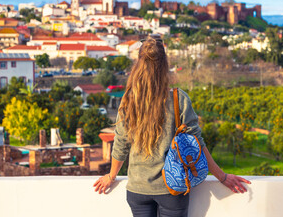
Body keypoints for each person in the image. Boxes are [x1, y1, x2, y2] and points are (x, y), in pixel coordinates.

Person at [93, 35, 251, 217]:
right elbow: (197, 145)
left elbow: (121, 144)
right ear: (165, 65)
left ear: (138, 64)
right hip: (172, 189)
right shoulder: (178, 99)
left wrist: (111, 176)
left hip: (138, 189)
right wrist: (222, 177)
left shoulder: (129, 101)